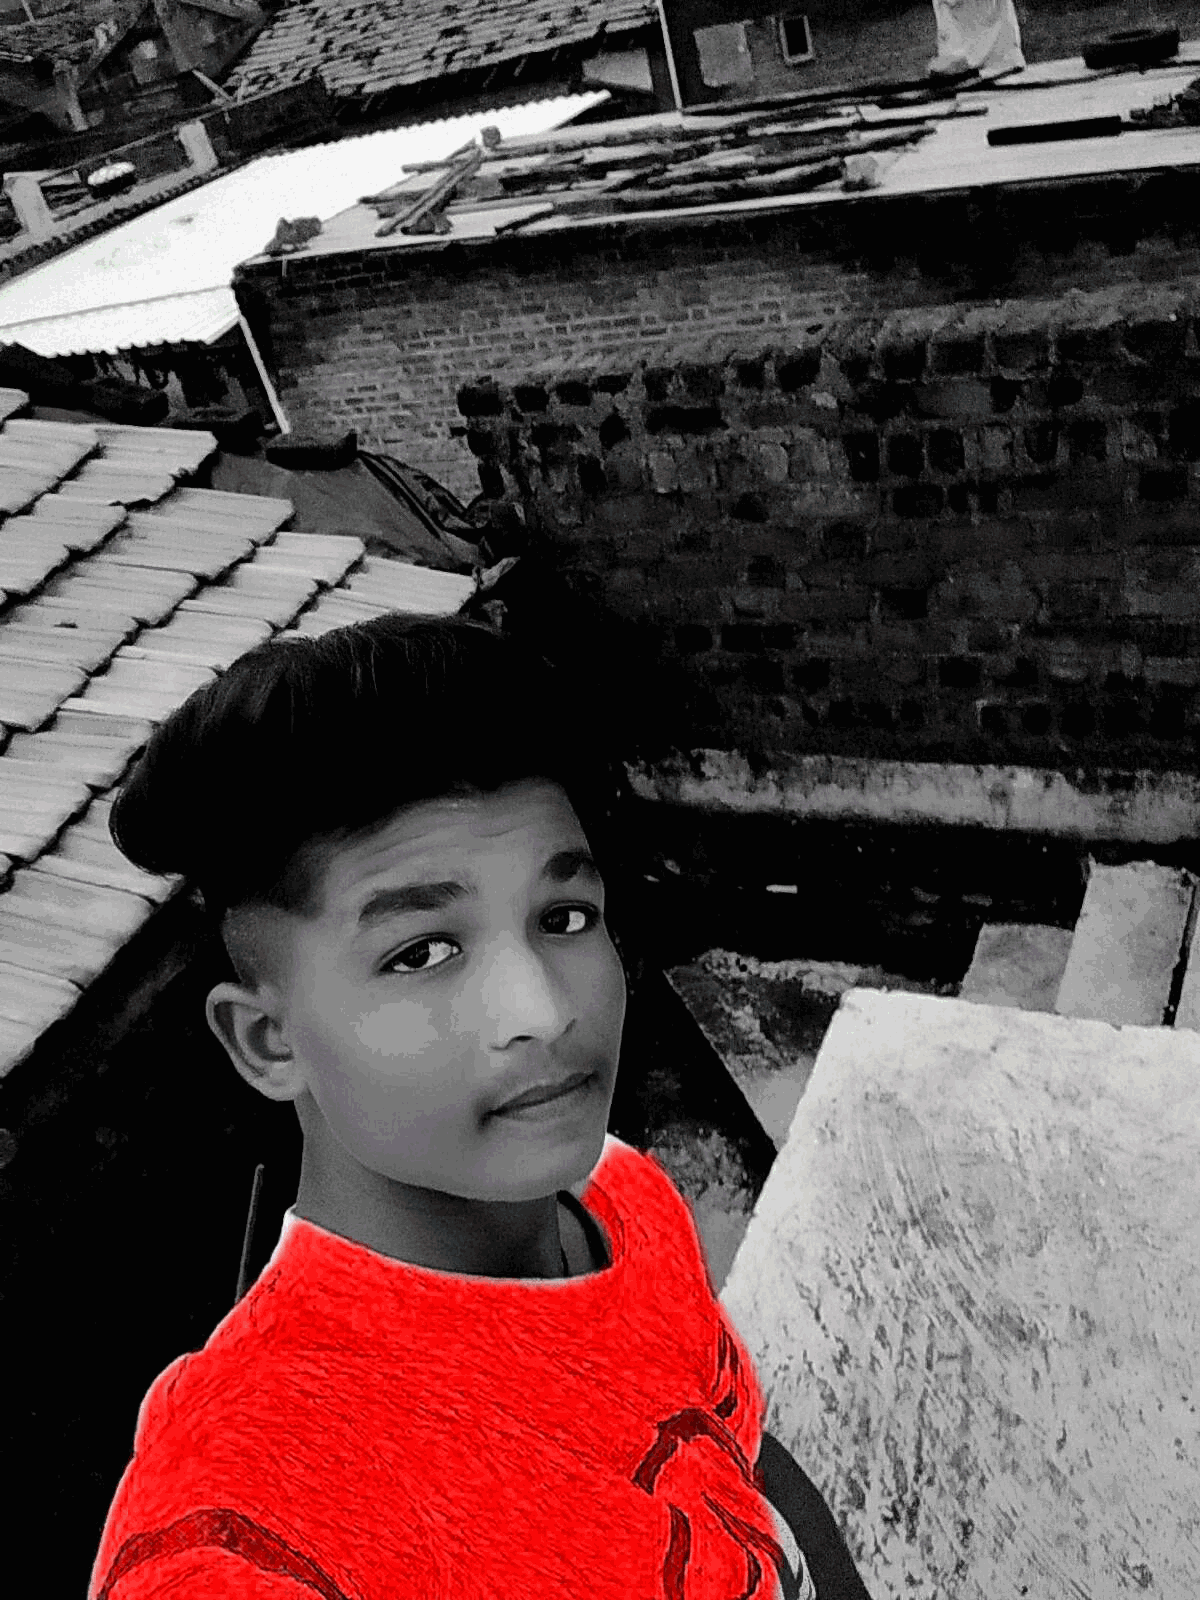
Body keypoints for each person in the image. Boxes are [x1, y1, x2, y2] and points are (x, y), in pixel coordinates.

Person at [88, 614, 872, 1599]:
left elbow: (743, 1460)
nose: (542, 1011)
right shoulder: (246, 1527)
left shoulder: (623, 1199)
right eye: (422, 953)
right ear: (269, 1040)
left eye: (563, 917)